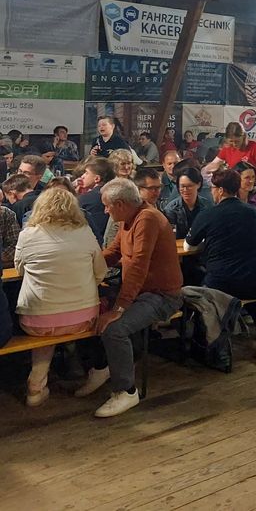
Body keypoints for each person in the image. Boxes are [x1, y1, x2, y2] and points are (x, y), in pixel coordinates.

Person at [76, 178, 183, 418]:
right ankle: (103, 367)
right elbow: (114, 252)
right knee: (92, 312)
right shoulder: (130, 218)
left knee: (115, 328)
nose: (105, 211)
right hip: (141, 292)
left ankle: (126, 391)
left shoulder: (147, 219)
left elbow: (137, 266)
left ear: (121, 204)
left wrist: (119, 308)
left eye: (107, 206)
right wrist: (81, 267)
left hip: (162, 295)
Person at [14, 188, 107, 406]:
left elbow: (20, 270)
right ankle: (83, 364)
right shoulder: (84, 232)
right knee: (80, 312)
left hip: (36, 321)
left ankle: (36, 386)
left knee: (45, 321)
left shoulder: (27, 234)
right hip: (83, 318)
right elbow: (101, 272)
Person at [184, 169, 256, 357]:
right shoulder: (253, 212)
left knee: (204, 283)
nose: (211, 192)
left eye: (212, 188)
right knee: (246, 282)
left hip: (223, 284)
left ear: (220, 190)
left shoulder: (209, 214)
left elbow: (188, 245)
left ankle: (211, 341)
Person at [162, 167, 209, 239]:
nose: (185, 190)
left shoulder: (208, 205)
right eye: (182, 186)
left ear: (198, 185)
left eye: (189, 186)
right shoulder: (171, 209)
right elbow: (170, 236)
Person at [77, 157, 116, 243]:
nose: (82, 176)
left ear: (97, 178)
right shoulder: (115, 194)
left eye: (86, 173)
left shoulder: (87, 198)